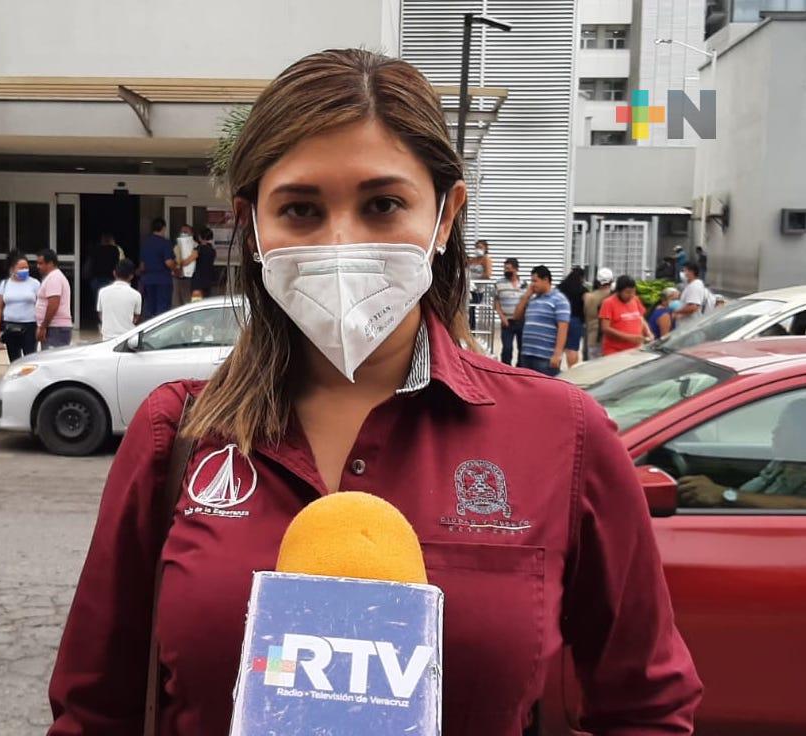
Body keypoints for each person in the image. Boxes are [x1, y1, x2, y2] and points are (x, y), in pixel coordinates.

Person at [48, 49, 700, 736]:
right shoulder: (174, 435)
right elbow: (94, 708)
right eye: (299, 209)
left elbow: (645, 706)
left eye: (382, 204)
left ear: (445, 217)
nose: (340, 242)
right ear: (253, 227)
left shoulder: (560, 434)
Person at [678, 399, 806, 510]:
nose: (775, 431)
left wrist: (724, 495)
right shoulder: (784, 462)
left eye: (785, 426)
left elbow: (800, 506)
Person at [514, 265, 571, 377]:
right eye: (531, 281)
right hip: (527, 354)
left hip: (545, 357)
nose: (532, 285)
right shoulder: (533, 300)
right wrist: (526, 296)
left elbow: (563, 328)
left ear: (546, 280)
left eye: (535, 281)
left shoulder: (559, 300)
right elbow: (516, 316)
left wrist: (557, 354)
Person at [0, 255, 40, 362]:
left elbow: (40, 305)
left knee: (30, 359)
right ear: (12, 269)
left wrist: (40, 326)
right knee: (14, 359)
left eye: (26, 267)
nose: (25, 270)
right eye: (21, 268)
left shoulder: (35, 283)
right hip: (10, 326)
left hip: (29, 326)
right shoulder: (5, 284)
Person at [598, 275, 653, 356]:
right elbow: (605, 328)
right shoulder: (608, 303)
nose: (631, 295)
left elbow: (641, 318)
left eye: (633, 291)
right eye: (627, 292)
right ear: (619, 291)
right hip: (615, 351)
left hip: (635, 350)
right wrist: (629, 338)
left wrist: (648, 333)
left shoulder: (635, 299)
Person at [35, 249, 73, 349]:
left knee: (51, 361)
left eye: (41, 263)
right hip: (53, 327)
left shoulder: (54, 278)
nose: (38, 266)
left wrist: (43, 327)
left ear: (50, 263)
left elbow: (53, 304)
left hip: (55, 328)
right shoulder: (51, 277)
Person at [139, 217, 176, 318]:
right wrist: (176, 269)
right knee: (163, 310)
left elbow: (142, 266)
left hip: (148, 280)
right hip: (163, 280)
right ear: (164, 228)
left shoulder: (145, 243)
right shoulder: (165, 243)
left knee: (149, 309)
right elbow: (168, 262)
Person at [96, 258, 142, 340]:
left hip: (107, 338)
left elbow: (101, 314)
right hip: (127, 339)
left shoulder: (102, 292)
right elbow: (136, 318)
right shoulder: (136, 295)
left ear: (114, 273)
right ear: (131, 276)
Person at [493, 257, 525, 365]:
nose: (506, 271)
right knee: (507, 349)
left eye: (509, 269)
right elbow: (496, 303)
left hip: (522, 322)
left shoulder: (524, 284)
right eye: (505, 268)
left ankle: (520, 370)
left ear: (516, 269)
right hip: (507, 321)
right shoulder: (499, 283)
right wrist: (502, 317)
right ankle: (506, 369)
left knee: (522, 349)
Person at [557, 265, 589, 368]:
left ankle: (555, 371)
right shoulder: (583, 290)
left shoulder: (560, 287)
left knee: (559, 347)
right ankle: (572, 371)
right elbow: (586, 307)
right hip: (576, 321)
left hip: (560, 320)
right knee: (572, 349)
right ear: (582, 277)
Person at [583, 267, 613, 361]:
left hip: (592, 338)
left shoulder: (588, 297)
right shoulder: (614, 296)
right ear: (611, 280)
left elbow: (585, 316)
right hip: (610, 340)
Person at [90, 233, 125, 303]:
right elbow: (122, 263)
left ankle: (100, 314)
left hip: (97, 279)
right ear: (112, 240)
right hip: (111, 279)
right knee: (110, 303)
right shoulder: (116, 250)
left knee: (99, 303)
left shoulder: (96, 249)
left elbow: (91, 263)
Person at [467, 238, 492, 330]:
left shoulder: (486, 259)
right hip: (468, 288)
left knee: (471, 307)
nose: (478, 249)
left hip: (477, 290)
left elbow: (488, 274)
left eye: (480, 247)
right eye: (476, 247)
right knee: (467, 308)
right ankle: (468, 329)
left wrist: (476, 281)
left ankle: (472, 330)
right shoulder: (473, 259)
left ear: (485, 249)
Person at [188, 227, 218, 300]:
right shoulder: (212, 250)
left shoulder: (199, 249)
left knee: (196, 303)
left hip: (198, 281)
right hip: (209, 280)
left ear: (200, 237)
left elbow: (189, 260)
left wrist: (181, 263)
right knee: (206, 303)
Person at [173, 225, 197, 308]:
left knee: (187, 302)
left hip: (189, 278)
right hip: (177, 277)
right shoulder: (176, 246)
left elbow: (187, 261)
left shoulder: (195, 245)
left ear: (192, 233)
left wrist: (180, 262)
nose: (184, 234)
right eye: (182, 232)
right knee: (176, 302)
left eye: (186, 232)